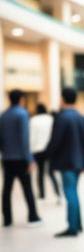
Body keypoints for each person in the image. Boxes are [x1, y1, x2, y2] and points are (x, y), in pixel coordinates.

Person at [46, 88, 84, 237]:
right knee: (74, 192)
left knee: (70, 193)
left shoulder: (62, 117)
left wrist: (47, 156)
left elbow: (55, 141)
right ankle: (78, 224)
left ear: (63, 99)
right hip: (78, 161)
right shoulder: (81, 118)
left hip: (66, 162)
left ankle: (72, 227)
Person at [0, 89, 41, 227]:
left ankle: (7, 219)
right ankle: (33, 217)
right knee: (27, 188)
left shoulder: (3, 115)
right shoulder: (23, 114)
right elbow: (24, 138)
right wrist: (29, 159)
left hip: (7, 158)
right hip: (20, 159)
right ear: (21, 99)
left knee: (6, 190)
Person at [30, 103, 60, 201]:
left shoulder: (33, 120)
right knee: (51, 172)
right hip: (49, 149)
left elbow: (31, 137)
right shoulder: (50, 119)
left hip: (37, 150)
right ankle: (57, 192)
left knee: (40, 173)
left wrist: (30, 151)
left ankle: (42, 193)